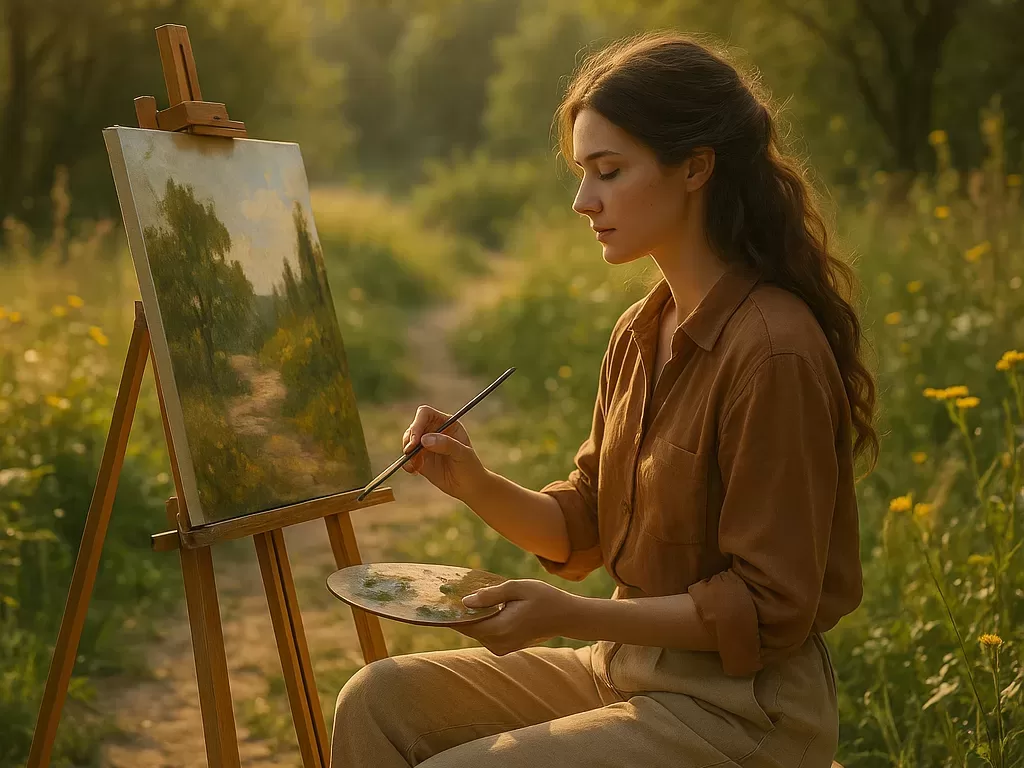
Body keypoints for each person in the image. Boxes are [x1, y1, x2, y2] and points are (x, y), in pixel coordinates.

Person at [330, 29, 877, 768]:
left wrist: (570, 613)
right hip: (622, 671)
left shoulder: (773, 350)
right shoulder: (639, 332)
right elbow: (582, 526)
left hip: (740, 713)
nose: (583, 201)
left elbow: (769, 606)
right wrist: (474, 481)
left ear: (696, 168)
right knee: (378, 699)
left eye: (609, 171)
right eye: (583, 172)